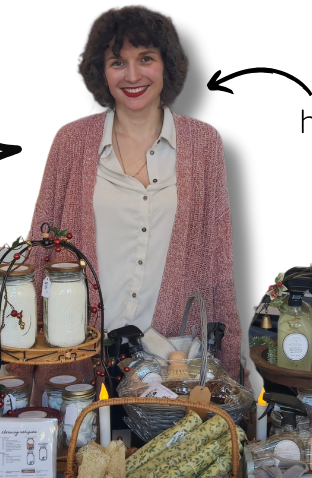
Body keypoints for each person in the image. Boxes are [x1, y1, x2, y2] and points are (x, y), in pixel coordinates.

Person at [27, 6, 242, 389]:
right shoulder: (72, 143)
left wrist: (227, 369)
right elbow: (40, 247)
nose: (132, 75)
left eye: (145, 59)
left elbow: (217, 257)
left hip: (171, 365)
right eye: (117, 62)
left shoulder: (203, 144)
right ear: (101, 72)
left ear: (166, 65)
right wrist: (22, 361)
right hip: (79, 356)